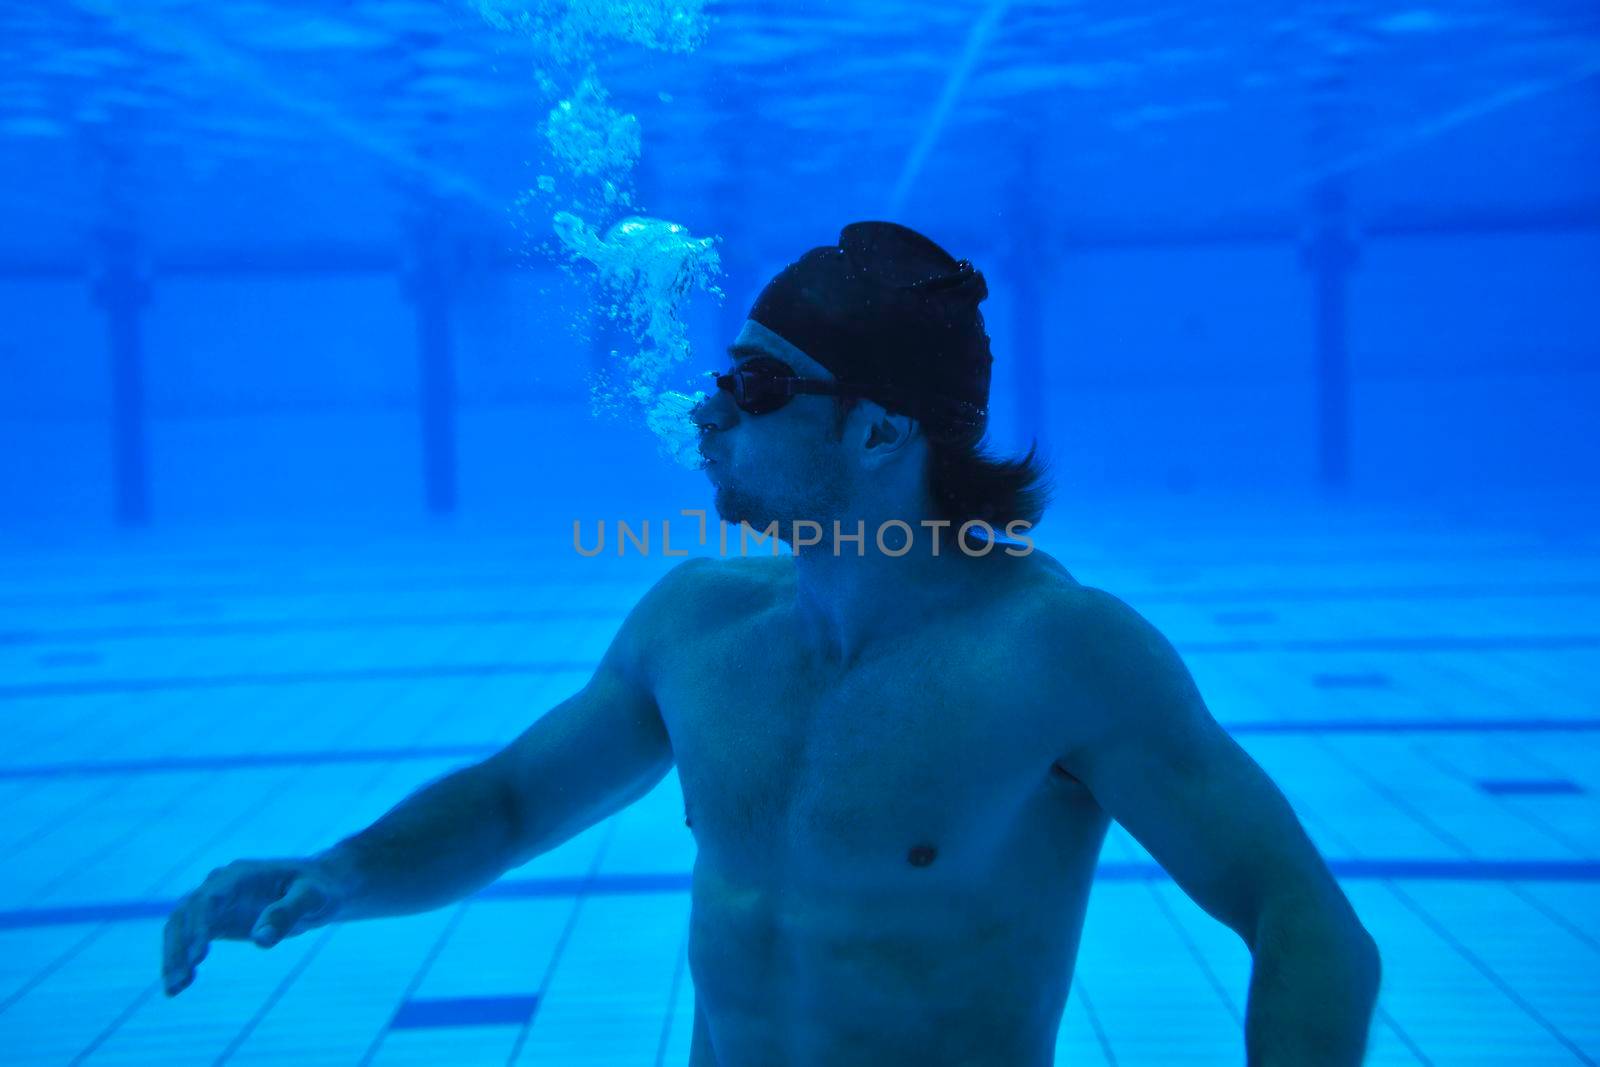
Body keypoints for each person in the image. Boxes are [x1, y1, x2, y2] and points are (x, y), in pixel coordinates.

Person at [161, 222, 1381, 1066]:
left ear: (878, 432)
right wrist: (342, 869)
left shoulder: (1057, 656)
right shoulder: (699, 625)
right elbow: (507, 803)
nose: (703, 407)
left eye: (753, 385)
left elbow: (1306, 922)